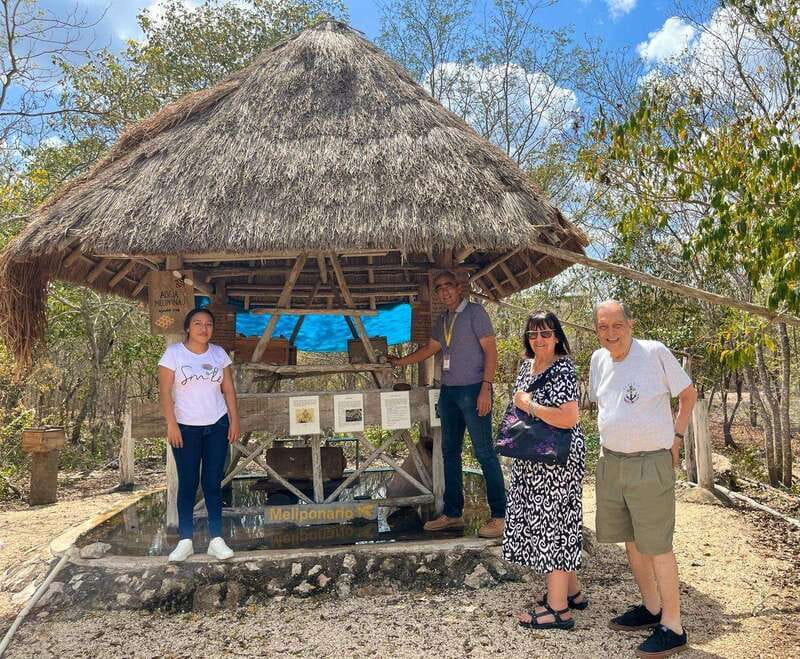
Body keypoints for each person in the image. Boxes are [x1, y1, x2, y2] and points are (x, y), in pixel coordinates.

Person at [589, 300, 697, 658]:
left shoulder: (654, 352)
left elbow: (687, 393)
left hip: (650, 461)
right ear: (596, 329)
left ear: (630, 324)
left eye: (617, 325)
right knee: (632, 542)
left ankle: (673, 625)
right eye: (603, 327)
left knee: (657, 545)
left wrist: (677, 437)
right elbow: (605, 405)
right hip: (612, 462)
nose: (611, 333)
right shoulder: (597, 360)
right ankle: (651, 608)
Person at [388, 270, 506, 538]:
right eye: (439, 288)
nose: (444, 291)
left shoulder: (476, 313)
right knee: (449, 452)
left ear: (459, 287)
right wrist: (399, 361)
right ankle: (452, 514)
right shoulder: (443, 320)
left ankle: (500, 516)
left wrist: (486, 388)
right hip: (449, 392)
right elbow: (428, 349)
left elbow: (491, 351)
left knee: (484, 452)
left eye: (448, 286)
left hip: (475, 389)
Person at [503, 311, 587, 631]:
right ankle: (572, 592)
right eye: (533, 335)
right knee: (555, 522)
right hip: (533, 457)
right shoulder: (528, 366)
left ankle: (557, 610)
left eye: (546, 334)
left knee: (553, 525)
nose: (539, 340)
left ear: (557, 337)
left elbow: (569, 418)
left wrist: (528, 406)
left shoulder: (562, 368)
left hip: (557, 460)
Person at [158, 308, 241, 562]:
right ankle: (186, 540)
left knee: (213, 483)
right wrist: (171, 425)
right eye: (198, 324)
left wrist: (234, 420)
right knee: (188, 483)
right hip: (185, 428)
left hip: (216, 425)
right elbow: (164, 392)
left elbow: (228, 390)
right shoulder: (173, 354)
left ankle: (216, 539)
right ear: (188, 327)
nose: (203, 329)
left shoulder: (219, 354)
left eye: (208, 324)